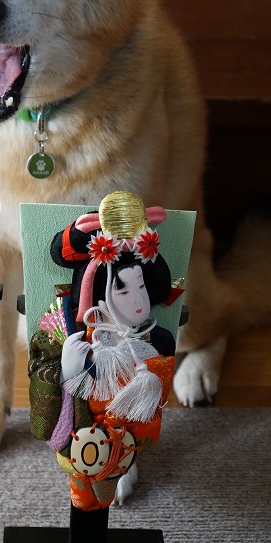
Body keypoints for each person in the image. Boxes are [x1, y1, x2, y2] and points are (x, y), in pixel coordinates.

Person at [28, 191, 177, 511]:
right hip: (79, 443)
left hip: (125, 442)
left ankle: (115, 471)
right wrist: (66, 373)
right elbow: (39, 372)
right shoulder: (67, 335)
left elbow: (154, 402)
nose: (138, 300)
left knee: (109, 475)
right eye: (122, 289)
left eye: (141, 286)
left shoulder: (154, 343)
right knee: (83, 495)